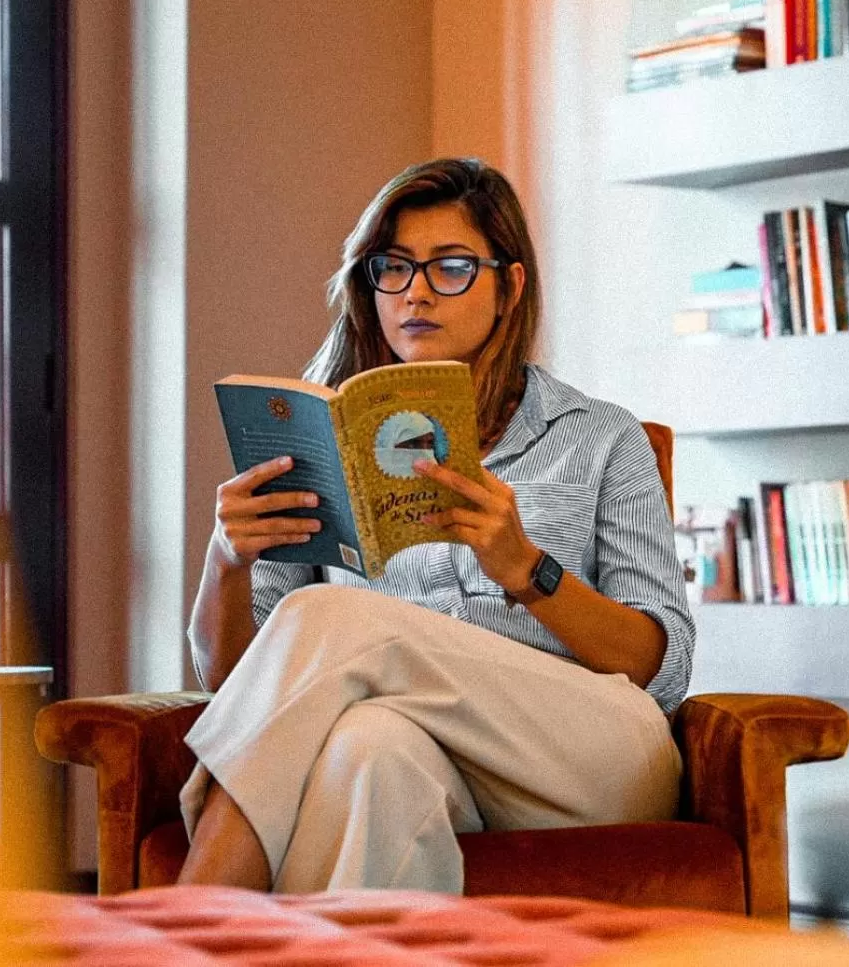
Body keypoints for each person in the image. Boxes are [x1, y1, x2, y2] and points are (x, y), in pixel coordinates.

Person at [178, 158, 693, 893]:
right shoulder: (325, 443)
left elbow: (661, 668)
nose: (415, 291)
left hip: (591, 758)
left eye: (450, 266)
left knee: (336, 617)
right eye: (393, 267)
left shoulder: (603, 437)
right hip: (429, 753)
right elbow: (246, 683)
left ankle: (200, 898)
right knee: (367, 749)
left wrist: (529, 570)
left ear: (509, 287)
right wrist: (225, 560)